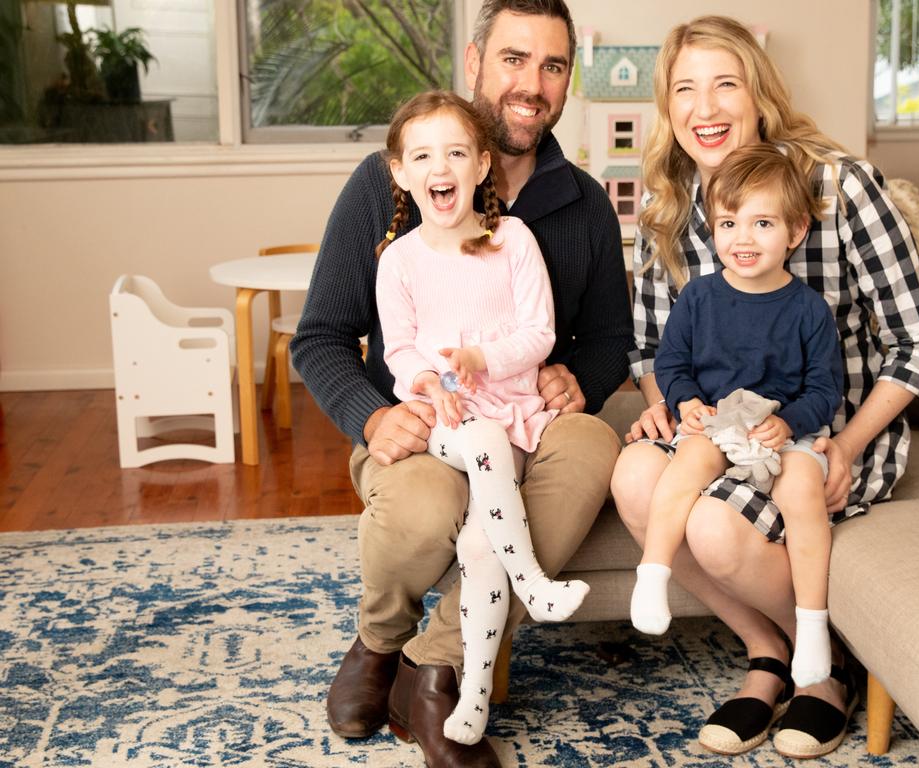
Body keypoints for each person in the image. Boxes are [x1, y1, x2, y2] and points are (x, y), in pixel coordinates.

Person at [290, 1, 632, 764]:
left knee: (591, 448)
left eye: (552, 66)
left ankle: (434, 668)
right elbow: (319, 337)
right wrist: (371, 417)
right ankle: (379, 642)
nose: (532, 84)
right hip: (418, 417)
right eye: (514, 59)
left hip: (524, 414)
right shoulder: (392, 186)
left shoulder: (583, 206)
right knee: (424, 505)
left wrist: (583, 379)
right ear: (474, 61)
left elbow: (610, 337)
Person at [609, 15, 919, 760]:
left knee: (714, 528)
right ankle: (772, 652)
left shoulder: (838, 187)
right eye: (685, 89)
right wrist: (665, 404)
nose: (706, 108)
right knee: (634, 476)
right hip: (722, 428)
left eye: (725, 83)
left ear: (758, 94)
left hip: (827, 427)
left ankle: (826, 675)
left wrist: (847, 447)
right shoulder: (666, 212)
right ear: (667, 109)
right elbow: (648, 348)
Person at [374, 89, 590, 746]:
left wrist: (482, 356)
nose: (441, 166)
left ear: (480, 166)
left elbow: (539, 334)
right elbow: (399, 348)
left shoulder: (515, 240)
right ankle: (533, 579)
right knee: (483, 436)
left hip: (511, 410)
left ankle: (470, 696)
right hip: (444, 416)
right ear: (401, 173)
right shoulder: (400, 260)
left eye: (458, 152)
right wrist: (428, 380)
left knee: (478, 547)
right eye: (423, 155)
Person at [630, 145, 844, 700]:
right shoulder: (699, 297)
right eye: (729, 223)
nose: (743, 239)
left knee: (802, 491)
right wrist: (687, 404)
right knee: (688, 463)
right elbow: (671, 363)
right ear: (712, 227)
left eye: (762, 223)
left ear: (795, 232)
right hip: (721, 426)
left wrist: (791, 421)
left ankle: (813, 626)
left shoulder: (808, 310)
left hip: (783, 433)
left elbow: (825, 388)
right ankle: (652, 575)